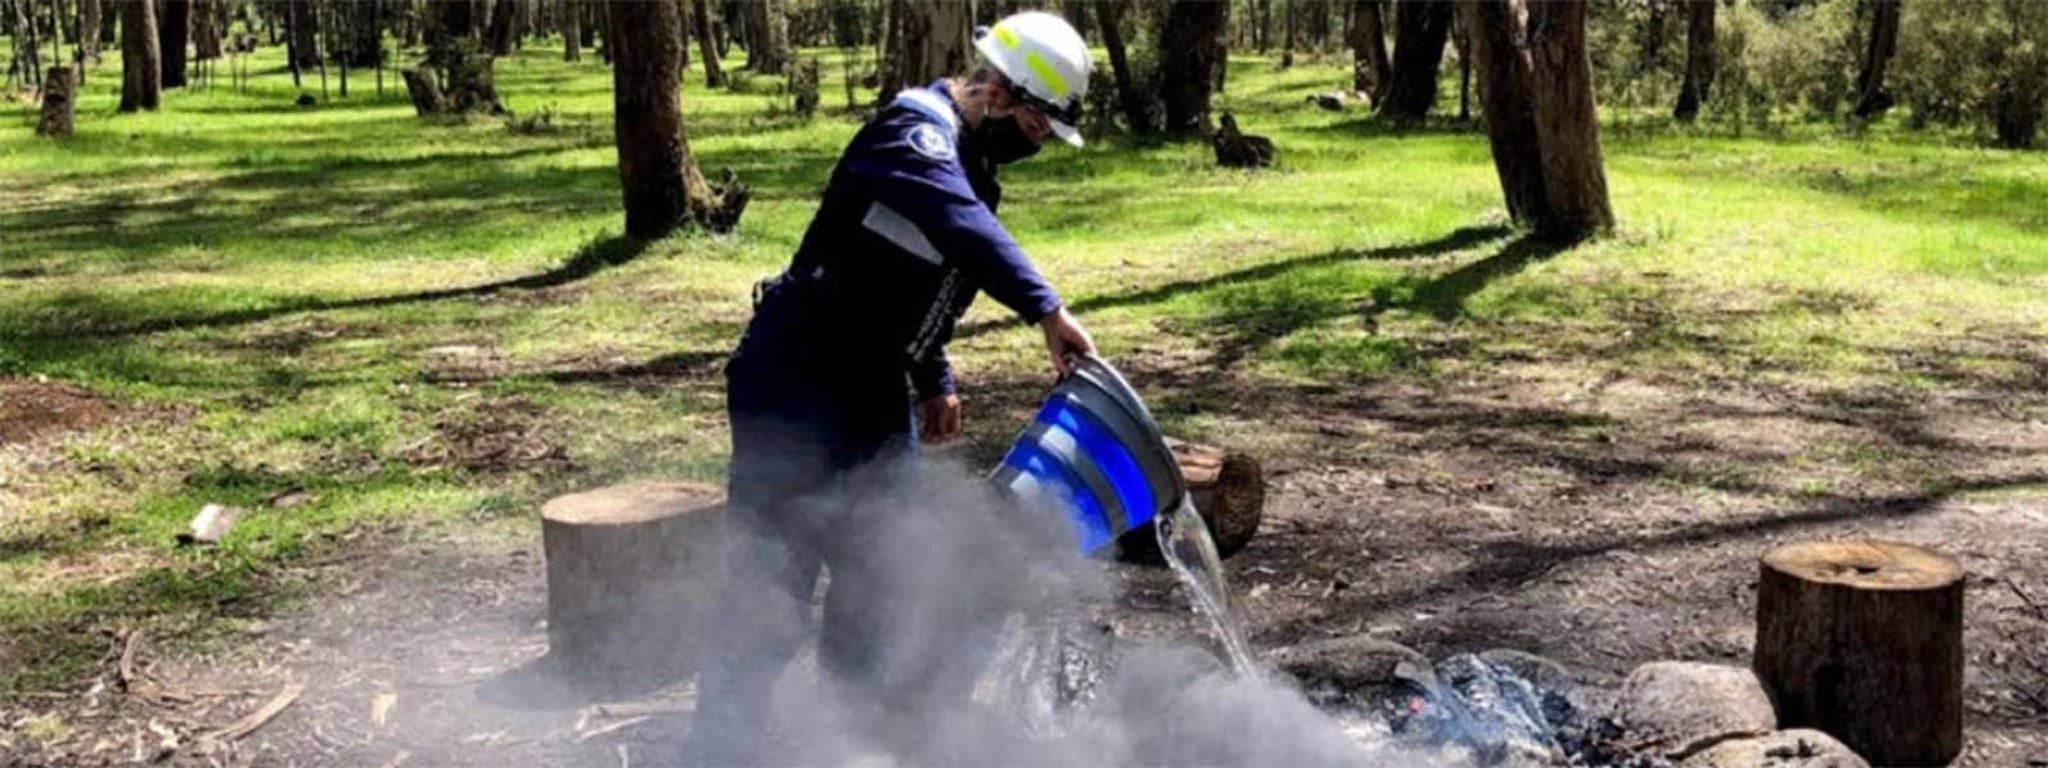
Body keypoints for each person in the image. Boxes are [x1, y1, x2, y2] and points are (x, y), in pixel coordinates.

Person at [682, 11, 1098, 764]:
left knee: (880, 577)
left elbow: (923, 283)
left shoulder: (972, 174)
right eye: (1037, 128)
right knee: (773, 585)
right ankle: (717, 748)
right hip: (796, 386)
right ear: (1002, 93)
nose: (1037, 146)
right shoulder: (913, 136)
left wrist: (932, 373)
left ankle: (848, 742)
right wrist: (1048, 308)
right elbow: (954, 222)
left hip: (873, 390)